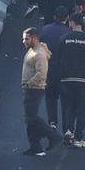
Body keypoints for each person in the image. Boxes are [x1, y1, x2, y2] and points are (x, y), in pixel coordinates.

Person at [52, 12, 85, 146]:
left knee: (68, 106)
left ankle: (68, 130)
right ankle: (78, 137)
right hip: (83, 79)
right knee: (82, 109)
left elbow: (57, 58)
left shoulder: (64, 39)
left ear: (72, 23)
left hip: (66, 79)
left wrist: (61, 73)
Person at [20, 28, 54, 156]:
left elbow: (41, 74)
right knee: (30, 119)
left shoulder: (39, 54)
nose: (24, 41)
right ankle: (35, 146)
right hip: (30, 88)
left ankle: (53, 136)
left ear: (34, 38)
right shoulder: (33, 50)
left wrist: (29, 83)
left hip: (34, 89)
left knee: (31, 118)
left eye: (26, 38)